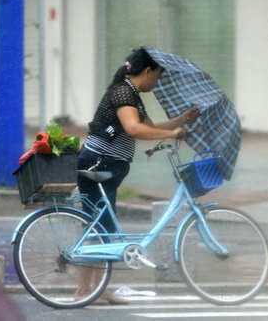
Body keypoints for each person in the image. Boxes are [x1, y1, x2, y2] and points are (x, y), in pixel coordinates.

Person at [74, 47, 199, 305]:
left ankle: (97, 289)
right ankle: (82, 291)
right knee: (97, 228)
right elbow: (134, 128)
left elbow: (149, 127)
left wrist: (180, 120)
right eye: (158, 75)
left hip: (108, 165)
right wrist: (171, 134)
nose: (158, 81)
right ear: (148, 70)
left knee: (102, 228)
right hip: (99, 164)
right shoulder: (123, 92)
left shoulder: (131, 94)